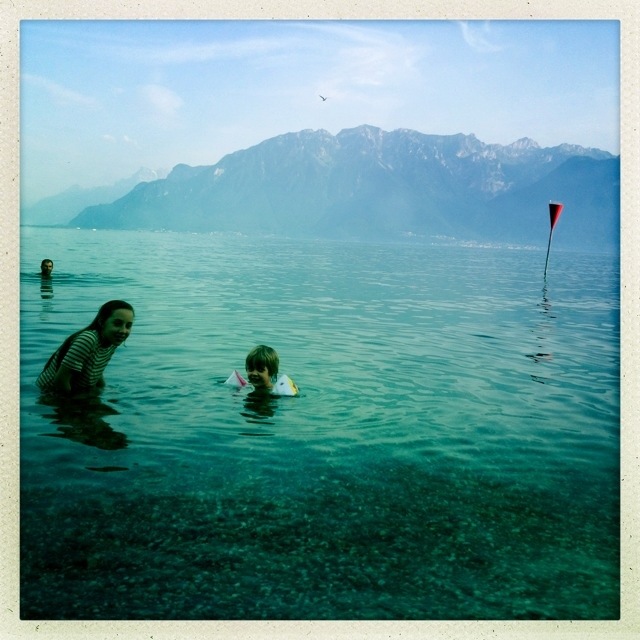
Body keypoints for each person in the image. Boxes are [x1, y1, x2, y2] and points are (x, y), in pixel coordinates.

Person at [36, 300, 134, 395]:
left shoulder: (111, 342)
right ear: (102, 322)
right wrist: (73, 402)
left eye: (128, 326)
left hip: (76, 391)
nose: (123, 331)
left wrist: (103, 389)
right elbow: (60, 381)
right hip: (50, 394)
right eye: (117, 324)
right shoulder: (88, 339)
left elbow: (96, 369)